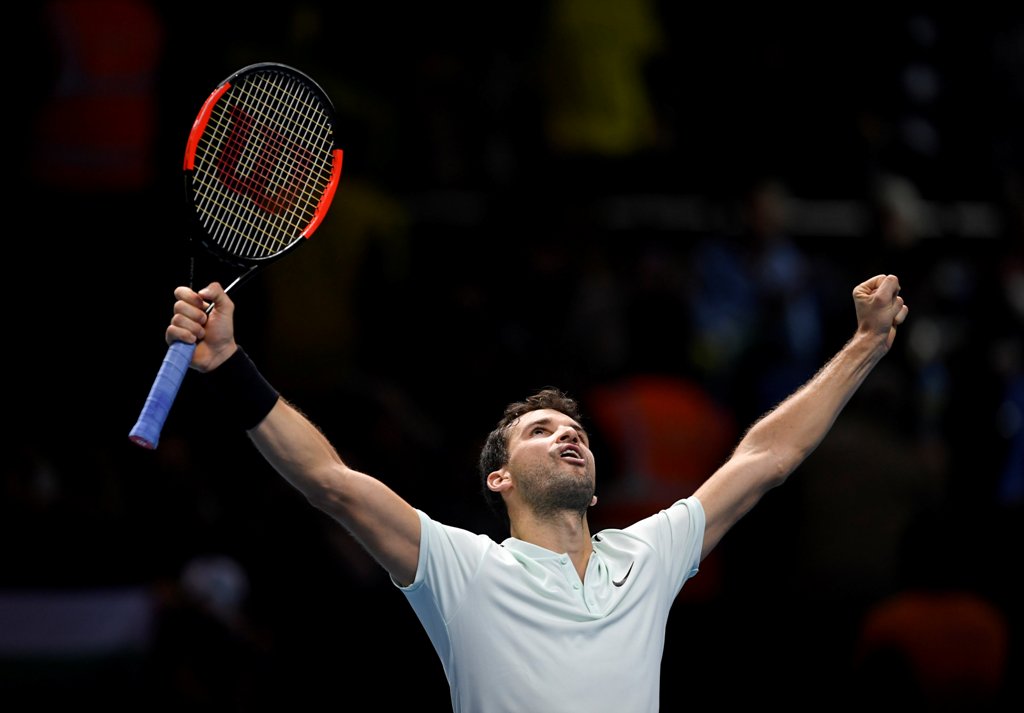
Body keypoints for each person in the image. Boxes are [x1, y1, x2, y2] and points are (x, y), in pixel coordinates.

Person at [164, 273, 908, 712]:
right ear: (501, 477)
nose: (567, 436)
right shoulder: (462, 569)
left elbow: (767, 456)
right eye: (541, 431)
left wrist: (865, 344)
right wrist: (229, 363)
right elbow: (331, 482)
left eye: (574, 430)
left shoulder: (646, 555)